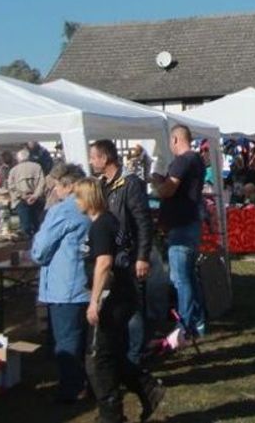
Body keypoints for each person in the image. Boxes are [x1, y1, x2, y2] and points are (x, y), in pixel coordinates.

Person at [75, 178, 164, 423]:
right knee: (113, 353)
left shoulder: (101, 226)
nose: (75, 203)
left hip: (112, 298)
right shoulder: (111, 221)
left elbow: (104, 264)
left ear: (89, 199)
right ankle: (147, 388)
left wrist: (94, 301)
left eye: (78, 197)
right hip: (124, 295)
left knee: (97, 358)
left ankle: (112, 414)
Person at [90, 140, 154, 366]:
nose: (90, 161)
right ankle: (121, 351)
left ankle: (135, 356)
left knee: (133, 306)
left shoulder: (130, 183)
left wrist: (142, 256)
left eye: (93, 157)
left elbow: (143, 222)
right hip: (111, 253)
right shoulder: (103, 185)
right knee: (117, 304)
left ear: (104, 158)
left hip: (129, 253)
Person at [30, 167, 91, 403]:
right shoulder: (92, 207)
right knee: (85, 340)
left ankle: (72, 389)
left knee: (66, 342)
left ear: (69, 186)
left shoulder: (62, 211)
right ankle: (89, 383)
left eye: (57, 185)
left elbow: (41, 249)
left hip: (65, 285)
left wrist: (36, 247)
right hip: (86, 282)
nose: (54, 190)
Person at [150, 124, 207, 339]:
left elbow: (169, 189)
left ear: (175, 139)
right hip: (190, 222)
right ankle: (197, 322)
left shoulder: (183, 161)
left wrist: (157, 184)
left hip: (182, 226)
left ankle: (185, 326)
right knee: (190, 277)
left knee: (181, 279)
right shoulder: (197, 160)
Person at [8, 148, 47, 235]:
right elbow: (42, 183)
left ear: (18, 159)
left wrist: (21, 195)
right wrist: (35, 195)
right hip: (37, 200)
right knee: (39, 226)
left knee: (26, 226)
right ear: (29, 157)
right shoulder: (37, 167)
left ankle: (27, 244)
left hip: (21, 201)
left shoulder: (13, 170)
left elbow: (11, 187)